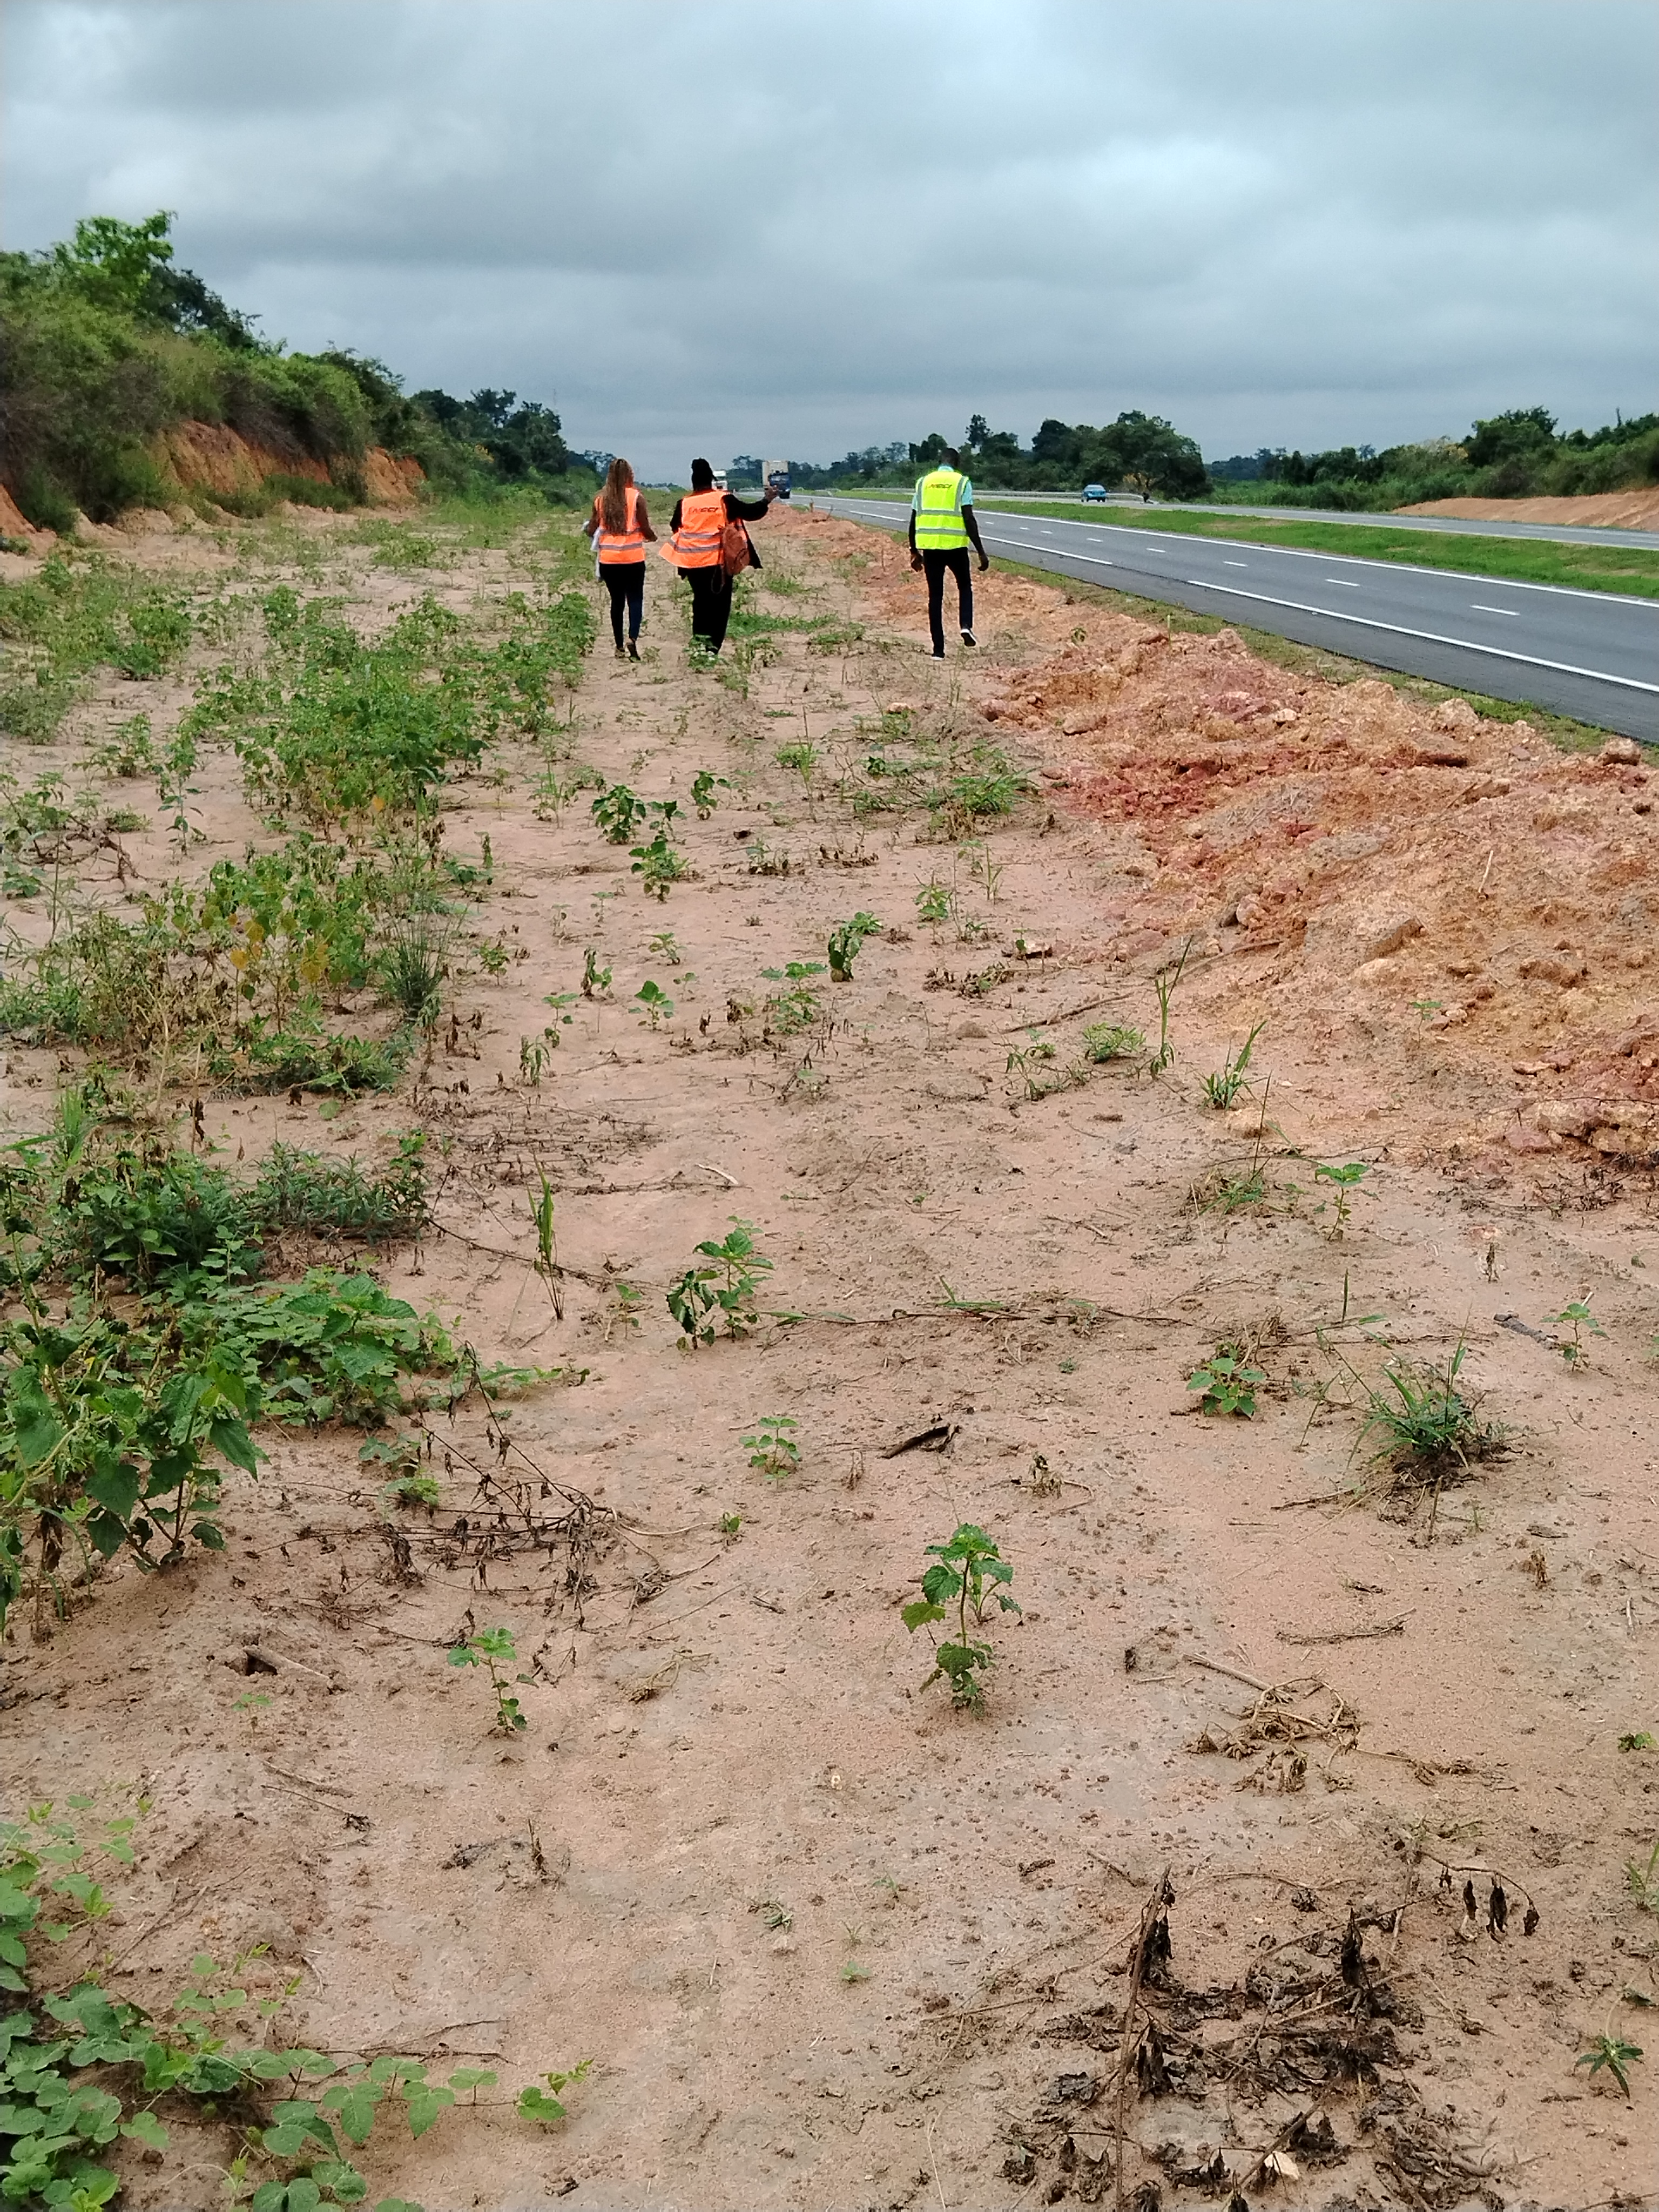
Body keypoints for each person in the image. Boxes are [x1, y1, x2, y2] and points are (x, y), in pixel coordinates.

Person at [659, 458, 778, 655]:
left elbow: (675, 527)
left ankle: (699, 647)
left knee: (701, 605)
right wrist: (767, 499)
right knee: (720, 609)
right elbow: (750, 513)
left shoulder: (684, 503)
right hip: (718, 565)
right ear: (711, 480)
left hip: (693, 564)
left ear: (693, 481)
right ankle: (712, 650)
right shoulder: (724, 499)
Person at [908, 447, 990, 657]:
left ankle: (938, 651)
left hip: (931, 548)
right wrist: (981, 551)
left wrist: (914, 551)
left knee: (935, 597)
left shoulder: (923, 483)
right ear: (957, 462)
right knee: (964, 586)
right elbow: (969, 519)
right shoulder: (962, 482)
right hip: (955, 547)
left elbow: (914, 519)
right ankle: (965, 625)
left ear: (939, 462)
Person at [583, 458, 657, 659]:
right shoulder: (636, 498)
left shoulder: (600, 499)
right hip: (633, 558)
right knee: (635, 599)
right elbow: (645, 527)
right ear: (630, 475)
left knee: (616, 602)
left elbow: (592, 529)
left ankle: (618, 647)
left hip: (609, 561)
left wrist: (591, 531)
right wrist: (652, 537)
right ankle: (632, 638)